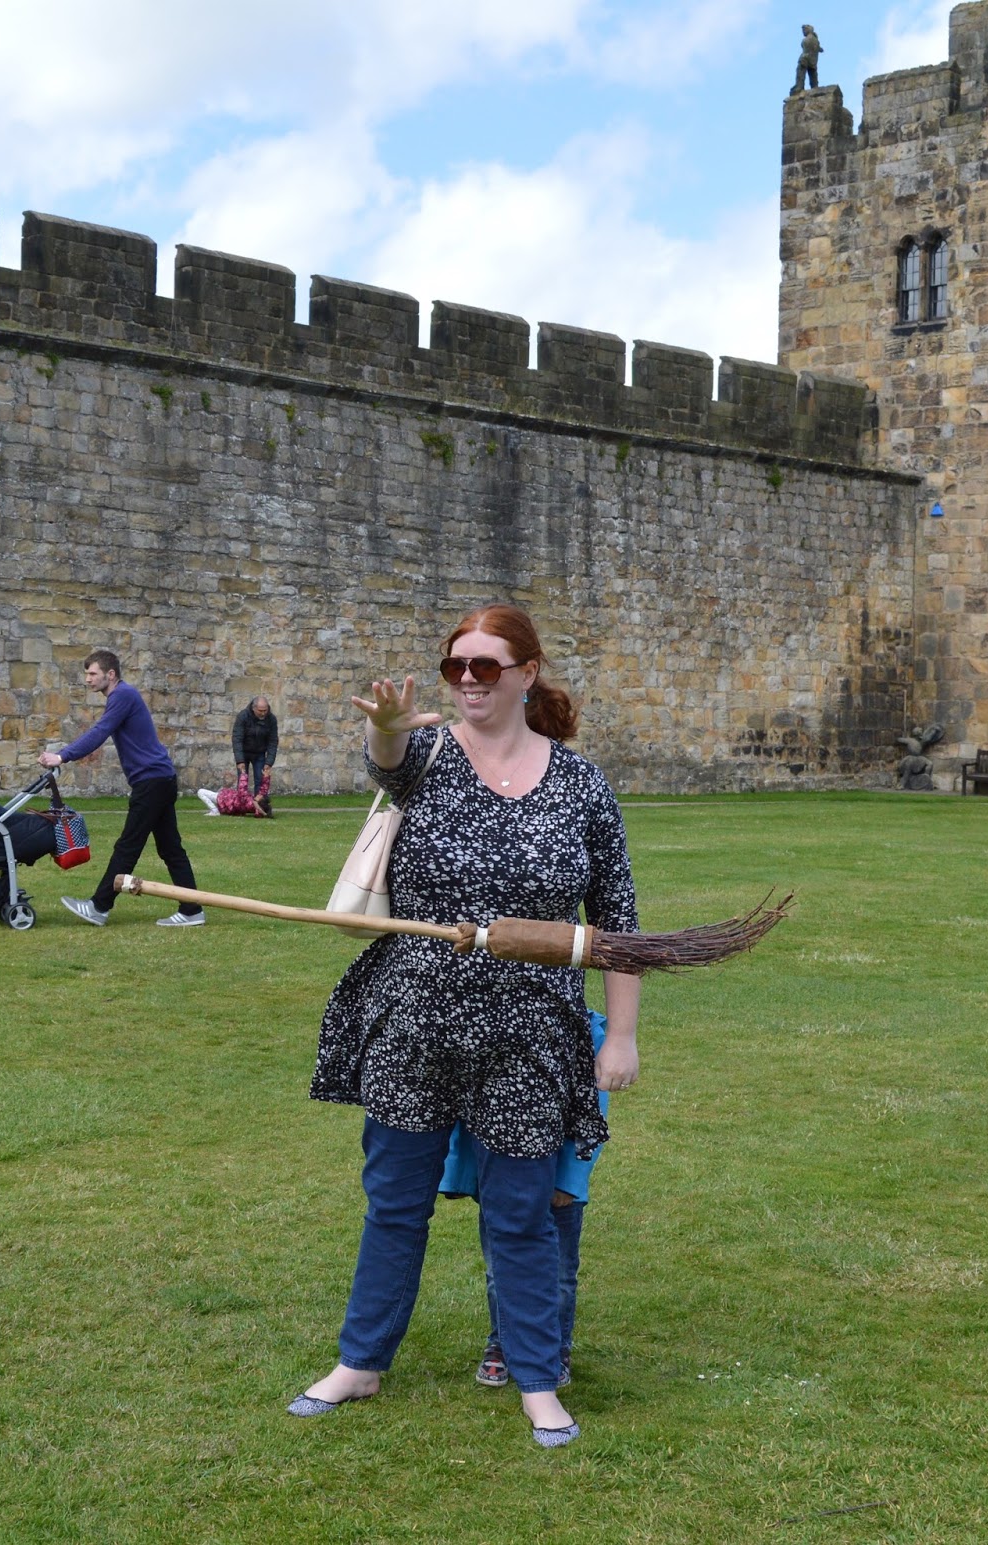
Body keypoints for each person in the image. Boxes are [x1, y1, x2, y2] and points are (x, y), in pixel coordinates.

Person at [291, 604, 641, 1450]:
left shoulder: (581, 784)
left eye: (487, 666)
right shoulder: (427, 757)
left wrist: (623, 1035)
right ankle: (360, 1362)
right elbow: (387, 762)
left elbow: (618, 922)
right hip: (415, 1022)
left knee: (519, 1213)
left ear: (528, 673)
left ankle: (536, 1380)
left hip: (531, 1034)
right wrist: (384, 728)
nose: (470, 680)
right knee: (394, 1204)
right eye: (457, 666)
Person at [442, 1009, 612, 1392]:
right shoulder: (488, 1023)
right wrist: (460, 1173)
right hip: (501, 1180)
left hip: (556, 1186)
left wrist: (568, 1181)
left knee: (559, 1274)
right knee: (499, 1270)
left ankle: (555, 1348)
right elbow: (463, 1110)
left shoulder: (582, 1035)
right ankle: (502, 1342)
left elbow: (591, 1115)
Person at [36, 649, 205, 927]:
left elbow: (99, 732)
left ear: (110, 674)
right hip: (159, 780)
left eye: (93, 673)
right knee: (171, 849)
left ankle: (99, 907)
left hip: (152, 783)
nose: (88, 679)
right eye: (87, 674)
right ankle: (192, 910)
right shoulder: (122, 696)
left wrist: (62, 756)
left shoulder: (122, 695)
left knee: (128, 846)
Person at [232, 696, 279, 816]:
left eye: (265, 710)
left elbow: (273, 741)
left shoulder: (271, 719)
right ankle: (241, 808)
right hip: (244, 752)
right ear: (253, 708)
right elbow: (237, 738)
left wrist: (269, 762)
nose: (263, 713)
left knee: (261, 780)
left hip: (260, 754)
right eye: (260, 711)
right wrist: (240, 760)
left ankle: (260, 809)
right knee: (242, 780)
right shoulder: (243, 716)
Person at [792, 23, 822, 94]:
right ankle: (815, 87)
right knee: (813, 74)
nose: (803, 32)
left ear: (808, 30)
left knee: (800, 72)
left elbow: (806, 48)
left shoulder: (806, 39)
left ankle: (799, 86)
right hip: (813, 60)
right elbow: (818, 48)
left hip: (805, 58)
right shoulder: (816, 40)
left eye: (804, 30)